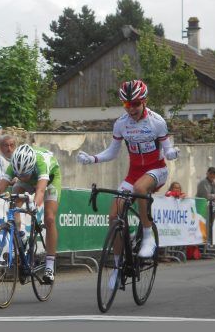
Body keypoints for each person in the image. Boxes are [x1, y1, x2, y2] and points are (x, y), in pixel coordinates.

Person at [77, 79, 180, 258]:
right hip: (133, 174)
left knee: (140, 188)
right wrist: (93, 159)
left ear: (144, 102)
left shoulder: (157, 122)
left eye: (135, 104)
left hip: (157, 170)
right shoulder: (121, 124)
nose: (131, 109)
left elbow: (167, 147)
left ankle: (149, 237)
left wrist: (171, 153)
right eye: (127, 104)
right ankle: (118, 266)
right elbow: (112, 152)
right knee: (113, 215)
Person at [0, 144, 62, 284]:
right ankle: (21, 234)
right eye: (19, 175)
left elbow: (41, 191)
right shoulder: (13, 166)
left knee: (49, 218)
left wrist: (34, 205)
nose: (22, 177)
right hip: (31, 181)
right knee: (14, 199)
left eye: (25, 174)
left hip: (50, 180)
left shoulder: (41, 163)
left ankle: (49, 266)